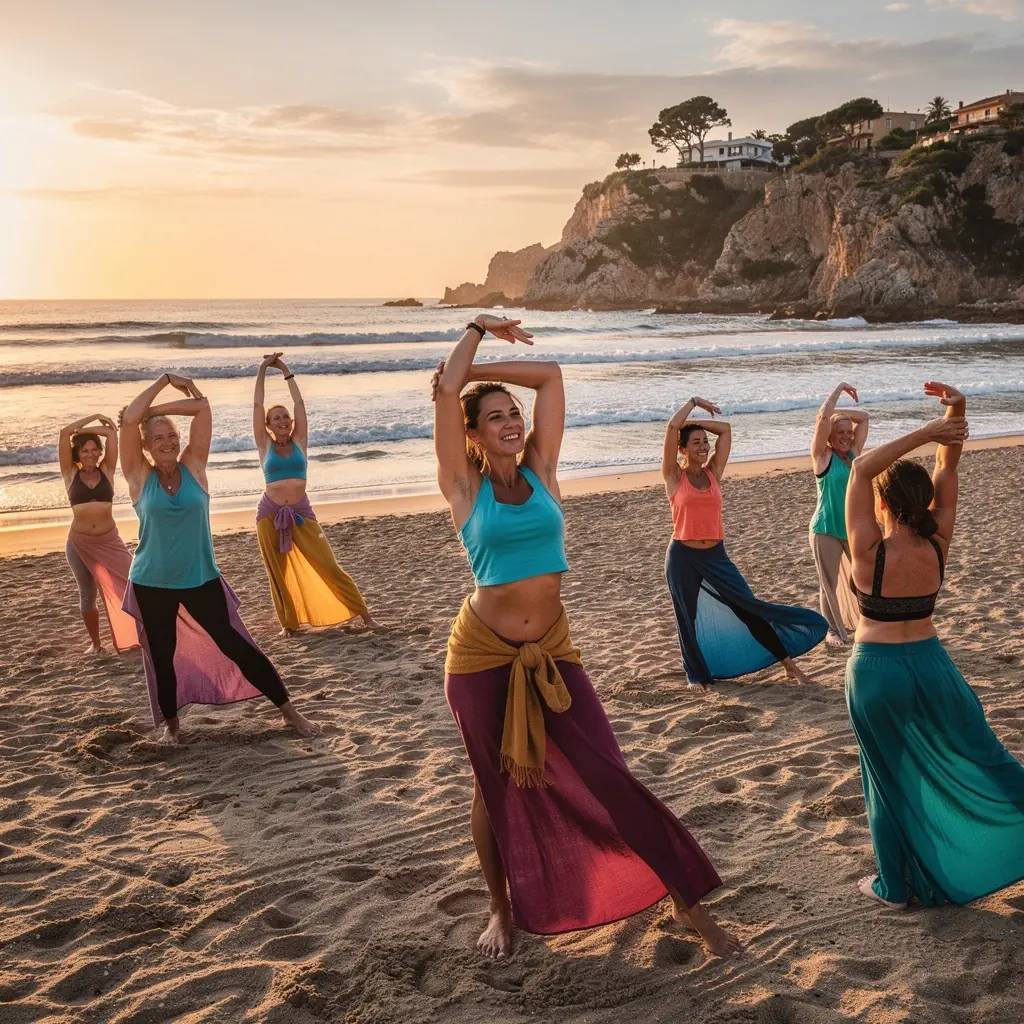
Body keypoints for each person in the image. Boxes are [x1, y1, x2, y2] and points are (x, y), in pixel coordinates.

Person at [432, 316, 741, 962]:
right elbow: (447, 389)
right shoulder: (463, 487)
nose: (511, 422)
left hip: (554, 649)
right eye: (494, 417)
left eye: (512, 413)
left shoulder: (543, 468)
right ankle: (500, 907)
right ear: (473, 432)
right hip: (481, 657)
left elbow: (550, 376)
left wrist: (487, 375)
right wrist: (474, 330)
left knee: (609, 773)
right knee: (493, 785)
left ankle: (691, 908)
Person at [845, 381, 1024, 910]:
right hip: (932, 663)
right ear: (923, 502)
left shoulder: (868, 548)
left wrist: (927, 429)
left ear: (881, 501)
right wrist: (955, 413)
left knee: (884, 775)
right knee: (987, 757)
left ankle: (894, 888)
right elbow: (948, 469)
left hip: (876, 672)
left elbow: (858, 469)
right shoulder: (937, 539)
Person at [118, 373, 315, 743]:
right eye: (157, 437)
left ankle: (290, 712)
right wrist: (160, 384)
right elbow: (130, 419)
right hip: (150, 581)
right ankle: (172, 729)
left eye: (171, 435)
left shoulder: (194, 467)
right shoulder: (138, 476)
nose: (167, 442)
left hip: (200, 577)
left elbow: (202, 407)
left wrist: (157, 407)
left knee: (237, 644)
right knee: (163, 656)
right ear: (144, 446)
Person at [662, 398, 827, 693]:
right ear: (682, 449)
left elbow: (725, 430)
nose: (703, 446)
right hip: (682, 556)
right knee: (687, 617)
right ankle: (695, 675)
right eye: (696, 442)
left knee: (749, 608)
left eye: (704, 442)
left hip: (715, 555)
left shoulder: (713, 472)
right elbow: (672, 426)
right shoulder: (674, 476)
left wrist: (700, 423)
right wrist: (693, 404)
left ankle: (790, 667)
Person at [253, 352, 376, 635]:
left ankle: (365, 616)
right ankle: (289, 625)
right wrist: (262, 370)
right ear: (268, 425)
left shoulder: (299, 441)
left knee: (329, 565)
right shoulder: (264, 445)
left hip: (300, 512)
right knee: (278, 572)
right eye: (276, 418)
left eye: (285, 417)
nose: (283, 420)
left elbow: (299, 403)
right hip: (269, 512)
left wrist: (285, 371)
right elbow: (258, 404)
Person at [58, 414, 139, 654]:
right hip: (79, 543)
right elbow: (64, 433)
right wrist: (92, 418)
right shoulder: (70, 474)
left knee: (133, 583)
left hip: (109, 540)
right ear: (77, 454)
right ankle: (96, 644)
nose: (91, 454)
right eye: (84, 450)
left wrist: (99, 421)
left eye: (94, 450)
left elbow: (112, 433)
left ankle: (141, 633)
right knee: (87, 594)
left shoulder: (107, 470)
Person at [809, 383, 869, 647]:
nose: (846, 435)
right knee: (829, 584)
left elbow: (864, 417)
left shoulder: (855, 452)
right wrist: (839, 390)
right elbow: (823, 418)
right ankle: (832, 631)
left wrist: (842, 416)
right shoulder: (822, 456)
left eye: (848, 431)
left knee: (863, 579)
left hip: (853, 528)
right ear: (830, 437)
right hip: (826, 528)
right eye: (839, 432)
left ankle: (866, 623)